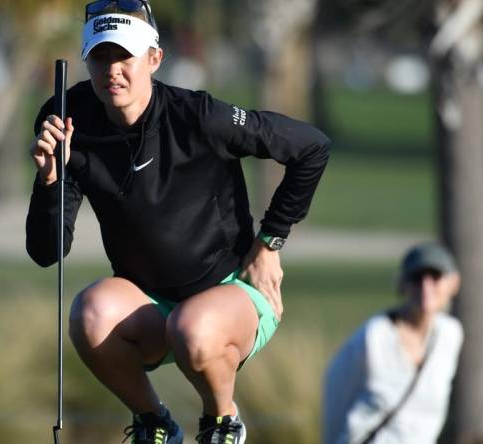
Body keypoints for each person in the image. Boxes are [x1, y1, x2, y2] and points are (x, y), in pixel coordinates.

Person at [26, 1, 330, 442]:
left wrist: (269, 243)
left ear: (154, 59)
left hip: (233, 293)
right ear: (87, 59)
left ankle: (221, 422)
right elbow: (46, 251)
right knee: (89, 315)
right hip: (151, 302)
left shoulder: (200, 116)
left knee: (192, 327)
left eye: (124, 56)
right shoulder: (70, 120)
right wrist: (51, 180)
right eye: (101, 56)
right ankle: (155, 423)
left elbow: (311, 148)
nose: (112, 70)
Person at [322, 243, 464, 444]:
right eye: (417, 278)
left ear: (453, 283)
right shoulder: (375, 335)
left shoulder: (450, 335)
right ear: (403, 284)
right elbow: (336, 393)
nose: (426, 287)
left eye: (435, 277)